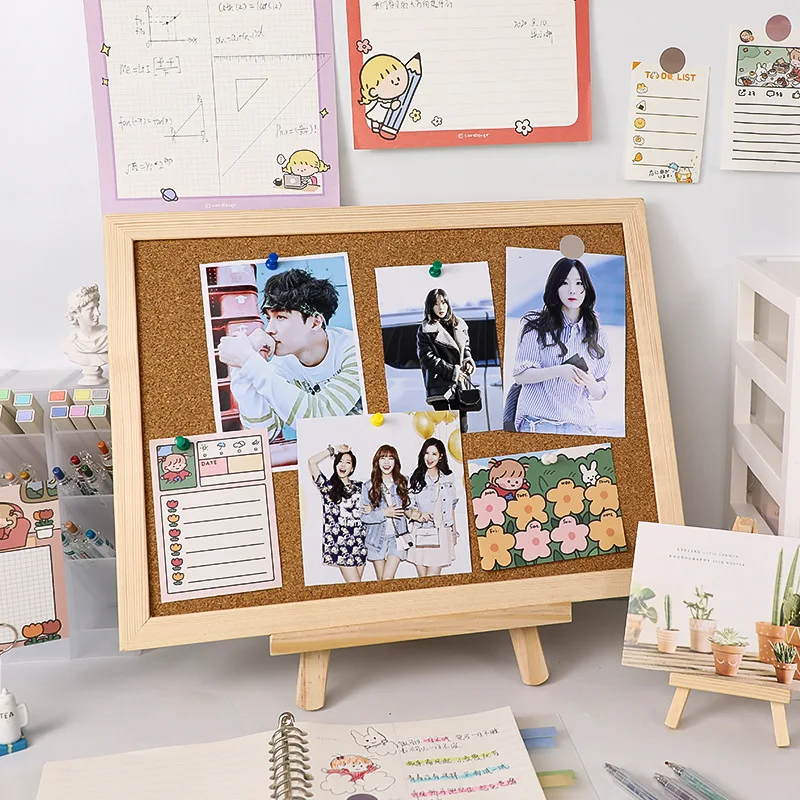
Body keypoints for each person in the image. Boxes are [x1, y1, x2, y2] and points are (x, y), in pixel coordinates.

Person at [218, 269, 363, 442]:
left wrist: (251, 363)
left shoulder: (355, 350)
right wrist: (241, 366)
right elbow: (263, 433)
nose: (269, 329)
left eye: (280, 317)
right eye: (269, 318)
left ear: (315, 323)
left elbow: (318, 419)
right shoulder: (280, 367)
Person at [512, 257, 611, 434]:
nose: (572, 290)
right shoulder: (535, 324)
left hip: (581, 426)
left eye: (579, 283)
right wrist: (559, 371)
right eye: (565, 283)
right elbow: (520, 375)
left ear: (586, 288)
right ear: (555, 287)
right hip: (538, 423)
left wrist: (590, 382)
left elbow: (599, 392)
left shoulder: (597, 333)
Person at [361, 445, 425, 581]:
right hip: (376, 539)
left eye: (390, 458)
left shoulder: (403, 482)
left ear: (395, 462)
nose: (386, 462)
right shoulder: (368, 486)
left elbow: (409, 507)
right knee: (382, 581)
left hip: (398, 538)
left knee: (387, 578)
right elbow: (364, 517)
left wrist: (415, 514)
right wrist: (384, 512)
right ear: (377, 461)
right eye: (383, 458)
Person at [416, 288, 475, 434]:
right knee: (446, 429)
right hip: (440, 386)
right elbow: (427, 358)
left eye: (443, 302)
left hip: (460, 385)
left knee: (463, 427)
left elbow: (465, 347)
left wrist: (468, 360)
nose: (440, 307)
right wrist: (453, 372)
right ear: (430, 306)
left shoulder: (459, 324)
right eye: (436, 304)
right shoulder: (426, 329)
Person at [307, 444, 366, 583]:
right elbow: (312, 462)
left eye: (348, 462)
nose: (343, 465)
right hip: (341, 546)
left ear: (352, 468)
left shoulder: (361, 487)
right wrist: (332, 450)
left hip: (360, 543)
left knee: (357, 589)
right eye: (340, 461)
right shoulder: (328, 487)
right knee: (356, 585)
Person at [406, 438, 460, 578]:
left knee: (433, 579)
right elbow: (408, 508)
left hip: (442, 532)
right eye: (427, 453)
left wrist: (454, 533)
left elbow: (452, 507)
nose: (429, 458)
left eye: (434, 454)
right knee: (423, 580)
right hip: (420, 532)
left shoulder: (448, 477)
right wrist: (418, 515)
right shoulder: (415, 478)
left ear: (440, 456)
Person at [358, 54, 409, 139]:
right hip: (381, 111)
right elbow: (385, 105)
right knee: (376, 118)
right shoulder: (383, 101)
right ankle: (376, 126)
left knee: (378, 119)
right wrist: (392, 105)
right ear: (373, 92)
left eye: (398, 79)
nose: (397, 82)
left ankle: (377, 126)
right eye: (392, 82)